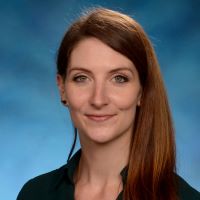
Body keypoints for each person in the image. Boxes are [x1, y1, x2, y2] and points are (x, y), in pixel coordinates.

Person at [17, 7, 200, 200]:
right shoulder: (35, 193)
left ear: (142, 91)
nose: (98, 99)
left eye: (119, 78)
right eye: (82, 78)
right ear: (62, 88)